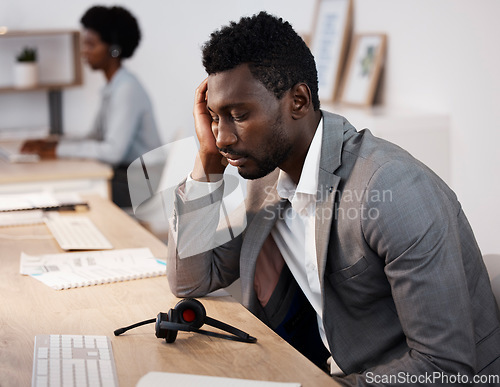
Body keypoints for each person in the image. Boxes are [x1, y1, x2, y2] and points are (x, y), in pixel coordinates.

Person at [166, 11, 500, 386]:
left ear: (298, 101)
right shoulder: (268, 175)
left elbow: (445, 367)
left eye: (238, 115)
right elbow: (191, 281)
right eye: (214, 118)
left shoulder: (391, 190)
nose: (223, 137)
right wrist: (208, 164)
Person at [22, 5, 162, 208]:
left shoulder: (127, 89)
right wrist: (52, 143)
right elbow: (94, 137)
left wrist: (57, 150)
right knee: (73, 185)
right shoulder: (113, 87)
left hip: (143, 183)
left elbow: (112, 152)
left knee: (75, 189)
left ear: (114, 49)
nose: (83, 52)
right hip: (128, 174)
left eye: (90, 45)